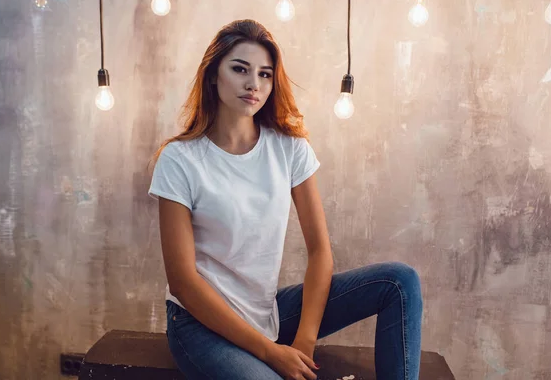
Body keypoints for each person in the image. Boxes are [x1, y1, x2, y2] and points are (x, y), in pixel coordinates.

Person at [148, 19, 423, 380]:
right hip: (198, 324)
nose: (254, 84)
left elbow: (320, 253)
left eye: (265, 74)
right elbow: (183, 281)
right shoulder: (180, 159)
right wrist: (271, 353)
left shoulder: (289, 148)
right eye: (240, 69)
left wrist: (303, 343)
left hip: (266, 311)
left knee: (398, 282)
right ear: (213, 75)